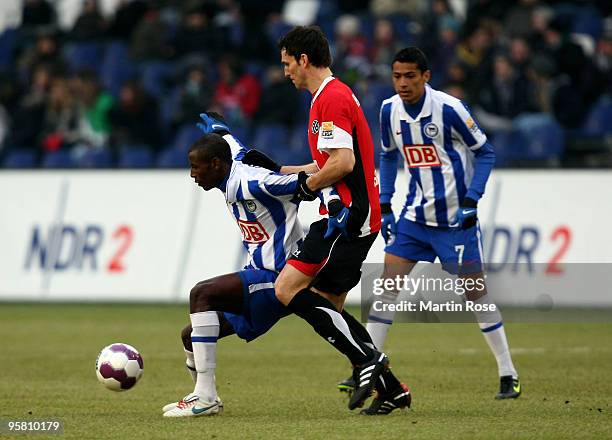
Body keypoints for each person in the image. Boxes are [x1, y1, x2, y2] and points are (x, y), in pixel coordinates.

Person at [245, 25, 411, 414]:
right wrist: (281, 170)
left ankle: (369, 362)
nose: (285, 72)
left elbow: (343, 163)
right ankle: (391, 388)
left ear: (304, 60)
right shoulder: (329, 96)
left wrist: (306, 188)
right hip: (353, 215)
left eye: (288, 63)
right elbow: (327, 162)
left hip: (346, 218)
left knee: (287, 288)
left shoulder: (331, 99)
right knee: (328, 306)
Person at [342, 47, 521, 400]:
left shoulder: (450, 109)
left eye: (410, 76)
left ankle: (507, 373)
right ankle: (365, 366)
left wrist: (471, 201)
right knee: (386, 290)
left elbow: (485, 152)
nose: (403, 83)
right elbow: (389, 155)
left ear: (426, 76)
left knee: (476, 295)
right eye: (397, 76)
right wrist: (385, 204)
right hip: (413, 218)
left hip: (455, 220)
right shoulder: (388, 110)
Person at [162, 114, 304, 417]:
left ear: (215, 165)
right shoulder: (231, 164)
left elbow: (296, 184)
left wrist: (319, 176)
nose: (192, 175)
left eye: (195, 167)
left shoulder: (251, 181)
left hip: (280, 278)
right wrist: (221, 129)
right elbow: (233, 145)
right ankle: (203, 395)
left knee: (202, 294)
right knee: (191, 335)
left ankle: (205, 397)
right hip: (260, 276)